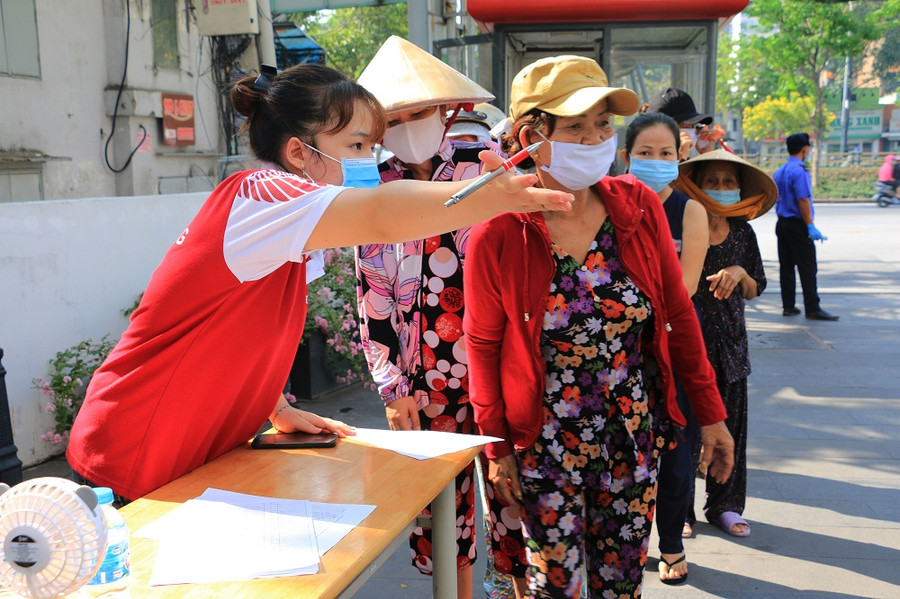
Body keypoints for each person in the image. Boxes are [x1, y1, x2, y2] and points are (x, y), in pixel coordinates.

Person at [65, 62, 573, 506]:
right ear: (298, 152)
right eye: (356, 145)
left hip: (184, 455)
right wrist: (489, 197)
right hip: (134, 451)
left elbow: (247, 335)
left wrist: (277, 407)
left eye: (372, 146)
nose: (370, 160)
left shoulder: (286, 227)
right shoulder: (262, 194)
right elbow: (380, 216)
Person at [464, 55, 735, 598]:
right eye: (576, 127)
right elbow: (483, 345)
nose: (595, 140)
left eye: (604, 124)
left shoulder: (637, 207)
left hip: (632, 437)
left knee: (621, 585)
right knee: (554, 587)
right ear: (531, 137)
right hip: (543, 444)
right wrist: (496, 448)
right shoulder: (498, 233)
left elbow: (678, 316)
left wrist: (711, 415)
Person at [355, 36, 527, 599]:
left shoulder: (486, 166)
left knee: (514, 494)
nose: (407, 127)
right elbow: (373, 291)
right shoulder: (375, 187)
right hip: (423, 380)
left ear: (447, 110)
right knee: (444, 507)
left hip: (498, 364)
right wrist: (391, 387)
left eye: (419, 113)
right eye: (393, 119)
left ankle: (520, 589)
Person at [621, 112, 709, 585]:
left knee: (676, 453)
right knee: (620, 454)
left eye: (665, 153)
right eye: (645, 153)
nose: (655, 161)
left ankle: (671, 543)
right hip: (615, 352)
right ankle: (621, 543)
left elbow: (686, 286)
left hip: (671, 347)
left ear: (679, 157)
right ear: (626, 157)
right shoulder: (606, 204)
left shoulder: (689, 211)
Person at [673, 148, 775, 538]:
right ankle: (679, 510)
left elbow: (755, 287)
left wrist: (739, 272)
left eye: (728, 181)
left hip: (731, 349)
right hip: (688, 346)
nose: (720, 187)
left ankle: (725, 505)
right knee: (683, 433)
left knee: (732, 429)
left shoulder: (742, 232)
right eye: (711, 181)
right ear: (695, 185)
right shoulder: (683, 225)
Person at [773, 133, 839, 321]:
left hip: (782, 224)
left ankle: (788, 306)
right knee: (807, 267)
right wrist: (810, 225)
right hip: (797, 225)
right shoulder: (799, 172)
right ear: (805, 149)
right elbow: (803, 200)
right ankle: (812, 308)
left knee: (786, 267)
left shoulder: (779, 171)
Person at [645, 87, 726, 160]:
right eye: (685, 126)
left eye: (694, 126)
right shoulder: (644, 161)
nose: (692, 132)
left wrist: (706, 156)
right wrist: (681, 157)